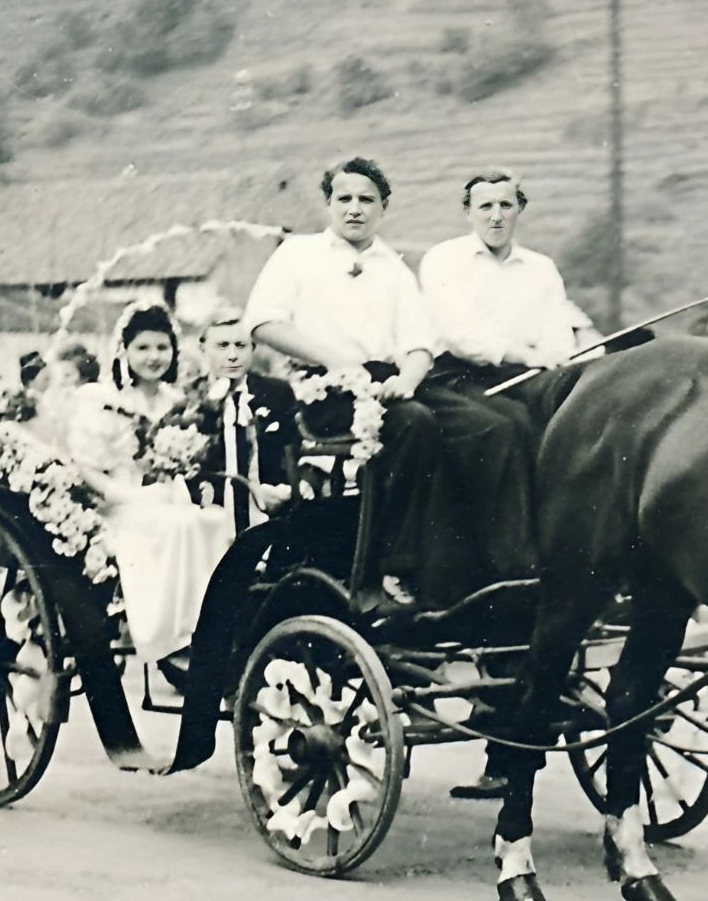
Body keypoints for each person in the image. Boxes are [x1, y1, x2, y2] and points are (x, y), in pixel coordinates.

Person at [418, 170, 598, 799]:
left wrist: (557, 358)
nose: (495, 215)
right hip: (457, 380)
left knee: (576, 422)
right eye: (484, 205)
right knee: (507, 431)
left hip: (530, 375)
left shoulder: (540, 269)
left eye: (506, 205)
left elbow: (556, 331)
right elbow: (457, 333)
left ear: (521, 209)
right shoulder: (445, 260)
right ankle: (516, 557)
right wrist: (525, 354)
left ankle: (577, 539)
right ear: (467, 211)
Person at [242, 155, 459, 608]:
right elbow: (262, 323)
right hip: (324, 388)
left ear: (383, 208)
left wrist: (407, 378)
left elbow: (420, 343)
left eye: (367, 200)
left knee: (478, 425)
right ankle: (399, 566)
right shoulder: (298, 254)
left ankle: (468, 564)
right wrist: (335, 358)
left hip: (387, 385)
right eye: (344, 199)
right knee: (415, 425)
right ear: (329, 204)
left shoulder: (393, 268)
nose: (355, 208)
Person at [64, 300, 235, 670]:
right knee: (176, 523)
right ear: (124, 351)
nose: (153, 357)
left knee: (214, 521)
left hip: (168, 494)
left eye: (162, 347)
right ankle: (169, 634)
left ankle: (208, 627)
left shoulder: (178, 401)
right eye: (142, 347)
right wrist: (120, 494)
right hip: (117, 500)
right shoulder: (103, 399)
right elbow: (85, 466)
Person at [190, 313, 296, 533]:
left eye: (241, 346)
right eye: (222, 346)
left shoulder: (276, 393)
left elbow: (292, 451)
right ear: (203, 348)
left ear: (253, 347)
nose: (232, 356)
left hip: (271, 514)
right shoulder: (190, 399)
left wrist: (283, 490)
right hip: (210, 519)